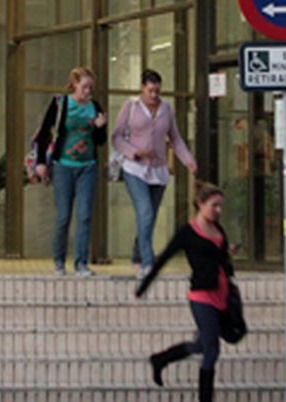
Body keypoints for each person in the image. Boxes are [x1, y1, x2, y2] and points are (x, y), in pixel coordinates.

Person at [136, 183, 235, 402]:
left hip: (221, 293)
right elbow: (163, 259)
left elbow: (221, 259)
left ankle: (161, 359)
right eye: (214, 206)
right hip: (201, 296)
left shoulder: (218, 229)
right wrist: (142, 288)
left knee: (202, 346)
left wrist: (227, 256)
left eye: (221, 206)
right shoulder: (187, 233)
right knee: (211, 350)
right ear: (200, 205)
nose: (218, 210)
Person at [110, 68, 198, 279]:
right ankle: (148, 264)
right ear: (142, 88)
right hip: (135, 168)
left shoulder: (166, 109)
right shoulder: (130, 107)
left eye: (158, 91)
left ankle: (137, 254)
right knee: (145, 211)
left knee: (149, 216)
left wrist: (188, 160)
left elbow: (175, 139)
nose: (154, 96)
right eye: (150, 91)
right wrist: (135, 152)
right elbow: (117, 137)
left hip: (158, 170)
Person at [33, 66, 107, 277]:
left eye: (91, 88)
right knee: (64, 215)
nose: (88, 92)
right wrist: (40, 162)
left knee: (84, 216)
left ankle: (81, 263)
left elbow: (100, 141)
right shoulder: (60, 104)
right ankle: (58, 261)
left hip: (88, 167)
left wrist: (101, 126)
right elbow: (44, 133)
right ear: (74, 84)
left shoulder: (95, 106)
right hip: (63, 166)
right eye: (84, 87)